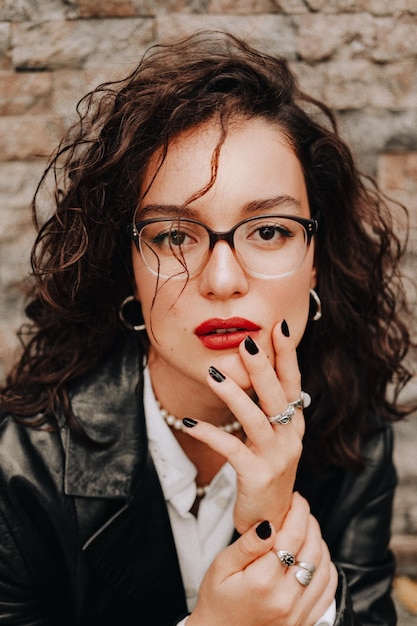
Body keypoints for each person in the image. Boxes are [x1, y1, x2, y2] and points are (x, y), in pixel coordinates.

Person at [0, 30, 414, 626]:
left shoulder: (351, 432)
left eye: (269, 231)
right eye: (174, 236)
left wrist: (273, 531)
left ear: (316, 258)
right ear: (130, 269)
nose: (222, 279)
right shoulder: (24, 470)